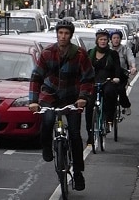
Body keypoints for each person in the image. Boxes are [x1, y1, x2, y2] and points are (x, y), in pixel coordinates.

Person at [28, 20, 95, 191]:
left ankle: (78, 172)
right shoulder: (47, 53)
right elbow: (36, 77)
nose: (63, 36)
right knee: (48, 120)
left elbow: (88, 78)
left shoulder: (80, 54)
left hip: (72, 97)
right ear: (56, 34)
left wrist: (83, 97)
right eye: (60, 33)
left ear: (70, 36)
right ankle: (46, 147)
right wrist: (33, 101)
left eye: (66, 33)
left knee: (74, 134)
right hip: (50, 95)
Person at [85, 29, 121, 144]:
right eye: (101, 39)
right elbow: (84, 69)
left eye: (105, 39)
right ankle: (90, 134)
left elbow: (117, 68)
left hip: (108, 80)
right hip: (93, 82)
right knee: (89, 106)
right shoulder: (90, 52)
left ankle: (109, 117)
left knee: (109, 92)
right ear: (97, 40)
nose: (103, 42)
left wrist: (116, 77)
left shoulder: (113, 54)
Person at [110, 29, 137, 116]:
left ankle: (126, 105)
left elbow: (130, 58)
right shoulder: (108, 49)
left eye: (118, 38)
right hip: (110, 74)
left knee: (121, 90)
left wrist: (133, 67)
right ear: (111, 39)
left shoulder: (125, 49)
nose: (116, 40)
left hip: (122, 75)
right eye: (114, 38)